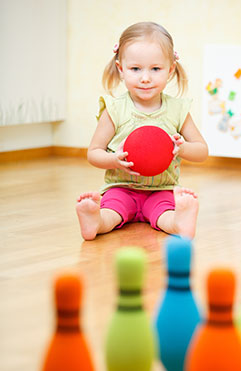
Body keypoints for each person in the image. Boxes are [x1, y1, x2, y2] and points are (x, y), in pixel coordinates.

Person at [76, 22, 208, 241]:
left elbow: (202, 151)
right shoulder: (115, 109)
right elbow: (93, 153)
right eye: (135, 69)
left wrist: (182, 148)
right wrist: (113, 160)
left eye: (155, 69)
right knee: (113, 212)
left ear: (170, 69)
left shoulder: (177, 110)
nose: (145, 78)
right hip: (121, 187)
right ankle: (96, 221)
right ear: (121, 69)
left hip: (162, 189)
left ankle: (179, 223)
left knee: (164, 213)